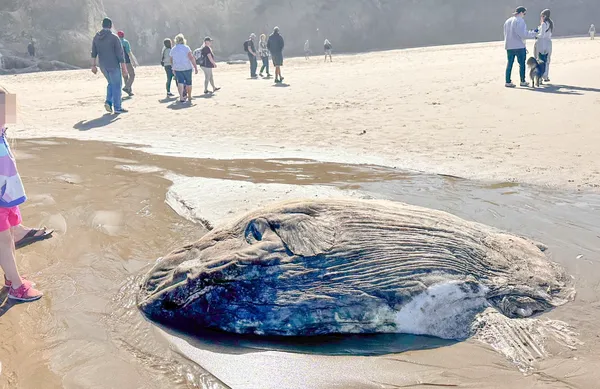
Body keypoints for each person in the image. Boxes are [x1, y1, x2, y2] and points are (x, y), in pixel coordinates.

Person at [0, 85, 44, 302]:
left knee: (7, 238)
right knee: (2, 240)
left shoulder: (1, 131)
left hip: (5, 194)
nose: (8, 116)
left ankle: (10, 277)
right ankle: (17, 287)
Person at [91, 17, 129, 113]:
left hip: (103, 65)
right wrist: (124, 69)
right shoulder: (114, 37)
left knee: (111, 84)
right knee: (117, 85)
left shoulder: (96, 37)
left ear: (102, 25)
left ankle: (108, 102)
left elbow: (93, 52)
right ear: (111, 25)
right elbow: (120, 55)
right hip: (113, 65)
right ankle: (117, 107)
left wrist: (93, 65)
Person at [504, 6, 537, 88]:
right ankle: (522, 81)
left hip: (509, 46)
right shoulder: (520, 21)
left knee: (509, 64)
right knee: (521, 64)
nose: (524, 15)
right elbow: (523, 34)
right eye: (524, 13)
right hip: (519, 45)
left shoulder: (507, 21)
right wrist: (533, 33)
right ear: (521, 12)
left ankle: (507, 81)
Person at [170, 33, 198, 103]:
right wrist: (195, 67)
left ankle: (181, 97)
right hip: (187, 67)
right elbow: (191, 58)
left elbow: (171, 59)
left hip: (177, 68)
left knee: (180, 82)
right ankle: (189, 96)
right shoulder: (186, 47)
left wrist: (173, 67)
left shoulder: (173, 49)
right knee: (189, 82)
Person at [534, 9, 553, 82]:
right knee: (547, 60)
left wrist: (536, 35)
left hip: (541, 43)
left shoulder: (543, 24)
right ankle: (546, 76)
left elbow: (541, 35)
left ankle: (539, 77)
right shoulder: (550, 23)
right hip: (548, 42)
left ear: (544, 16)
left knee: (539, 59)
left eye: (541, 15)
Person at [118, 31, 139, 96]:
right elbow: (129, 53)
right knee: (132, 75)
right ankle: (127, 87)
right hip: (126, 62)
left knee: (125, 76)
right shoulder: (125, 42)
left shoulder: (116, 42)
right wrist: (134, 62)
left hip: (119, 62)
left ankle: (129, 91)